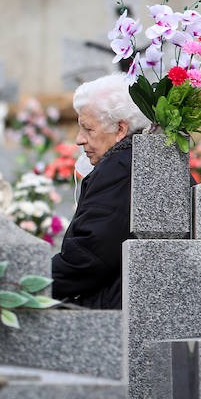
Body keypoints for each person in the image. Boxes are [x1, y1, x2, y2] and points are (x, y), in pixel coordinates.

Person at [51, 73, 151, 309]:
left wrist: (29, 282)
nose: (79, 140)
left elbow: (90, 257)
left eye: (88, 129)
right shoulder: (135, 160)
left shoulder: (120, 168)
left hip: (112, 316)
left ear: (120, 129)